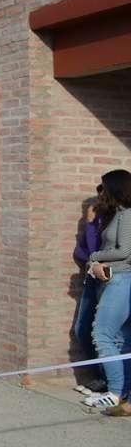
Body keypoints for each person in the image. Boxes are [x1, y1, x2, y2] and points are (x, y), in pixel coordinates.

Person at [83, 170, 131, 414]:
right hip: (114, 279)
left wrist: (94, 257)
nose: (101, 192)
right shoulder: (118, 213)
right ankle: (121, 393)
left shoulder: (128, 214)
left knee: (101, 334)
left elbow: (124, 251)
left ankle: (114, 392)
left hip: (121, 280)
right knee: (121, 339)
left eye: (104, 187)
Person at [72, 192, 106, 392]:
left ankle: (112, 383)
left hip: (112, 281)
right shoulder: (96, 222)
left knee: (108, 333)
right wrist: (91, 224)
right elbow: (82, 250)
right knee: (82, 329)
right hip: (92, 280)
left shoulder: (122, 222)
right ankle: (101, 376)